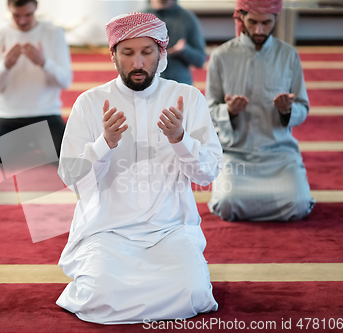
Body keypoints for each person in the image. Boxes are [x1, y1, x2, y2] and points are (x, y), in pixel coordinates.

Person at [56, 12, 222, 324]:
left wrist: (180, 139)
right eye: (128, 53)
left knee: (194, 293)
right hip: (107, 231)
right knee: (98, 298)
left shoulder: (186, 98)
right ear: (113, 55)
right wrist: (105, 142)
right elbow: (73, 180)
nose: (138, 63)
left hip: (170, 228)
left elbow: (208, 173)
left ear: (162, 53)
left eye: (147, 52)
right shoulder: (90, 103)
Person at [206, 0, 315, 221]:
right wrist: (229, 110)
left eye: (266, 22)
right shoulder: (221, 56)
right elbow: (209, 111)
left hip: (279, 154)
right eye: (253, 22)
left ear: (276, 19)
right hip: (235, 153)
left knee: (299, 204)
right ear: (241, 18)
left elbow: (302, 108)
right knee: (226, 204)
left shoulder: (288, 56)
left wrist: (287, 111)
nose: (259, 30)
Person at [0, 0, 72, 162]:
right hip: (7, 115)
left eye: (28, 15)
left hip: (46, 113)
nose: (22, 21)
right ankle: (32, 143)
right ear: (9, 8)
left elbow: (65, 82)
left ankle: (24, 142)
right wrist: (5, 65)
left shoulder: (54, 32)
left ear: (36, 7)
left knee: (62, 158)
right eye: (16, 15)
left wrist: (44, 63)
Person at [143, 0, 206, 85]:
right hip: (148, 85)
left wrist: (184, 51)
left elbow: (200, 60)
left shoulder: (187, 18)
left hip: (180, 85)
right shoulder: (141, 18)